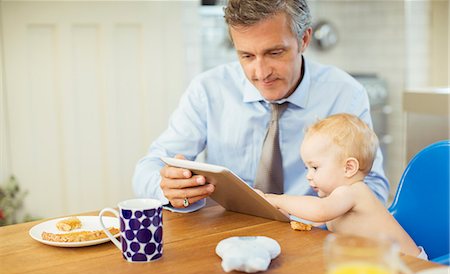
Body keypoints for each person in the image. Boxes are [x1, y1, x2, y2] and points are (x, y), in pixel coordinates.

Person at [132, 0, 389, 212]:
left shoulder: (344, 94)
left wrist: (324, 213)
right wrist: (166, 186)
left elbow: (373, 189)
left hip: (313, 234)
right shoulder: (208, 90)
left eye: (275, 53)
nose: (261, 72)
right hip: (224, 235)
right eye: (247, 56)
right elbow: (148, 167)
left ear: (304, 40)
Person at [260, 113, 425, 258]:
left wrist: (276, 199)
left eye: (315, 167)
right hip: (382, 265)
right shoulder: (338, 200)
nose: (308, 176)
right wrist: (286, 213)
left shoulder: (353, 192)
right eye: (306, 168)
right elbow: (312, 218)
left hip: (412, 266)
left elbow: (320, 211)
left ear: (348, 168)